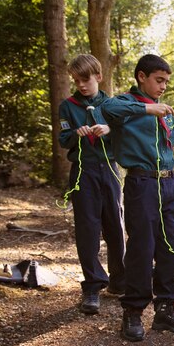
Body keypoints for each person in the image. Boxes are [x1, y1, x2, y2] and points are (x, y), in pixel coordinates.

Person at [101, 54, 174, 342]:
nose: (164, 86)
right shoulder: (125, 105)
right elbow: (108, 109)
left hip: (169, 184)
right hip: (141, 183)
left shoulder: (165, 111)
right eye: (159, 80)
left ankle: (166, 309)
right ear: (141, 77)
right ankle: (132, 311)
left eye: (167, 82)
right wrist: (147, 110)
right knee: (142, 247)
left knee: (171, 244)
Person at [59, 54, 125, 315]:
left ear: (98, 76)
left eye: (85, 79)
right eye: (76, 80)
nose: (81, 85)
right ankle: (92, 286)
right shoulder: (69, 106)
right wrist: (76, 133)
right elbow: (63, 138)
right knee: (87, 228)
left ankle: (119, 280)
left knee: (115, 225)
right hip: (83, 170)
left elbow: (127, 133)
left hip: (109, 168)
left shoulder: (113, 104)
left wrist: (110, 130)